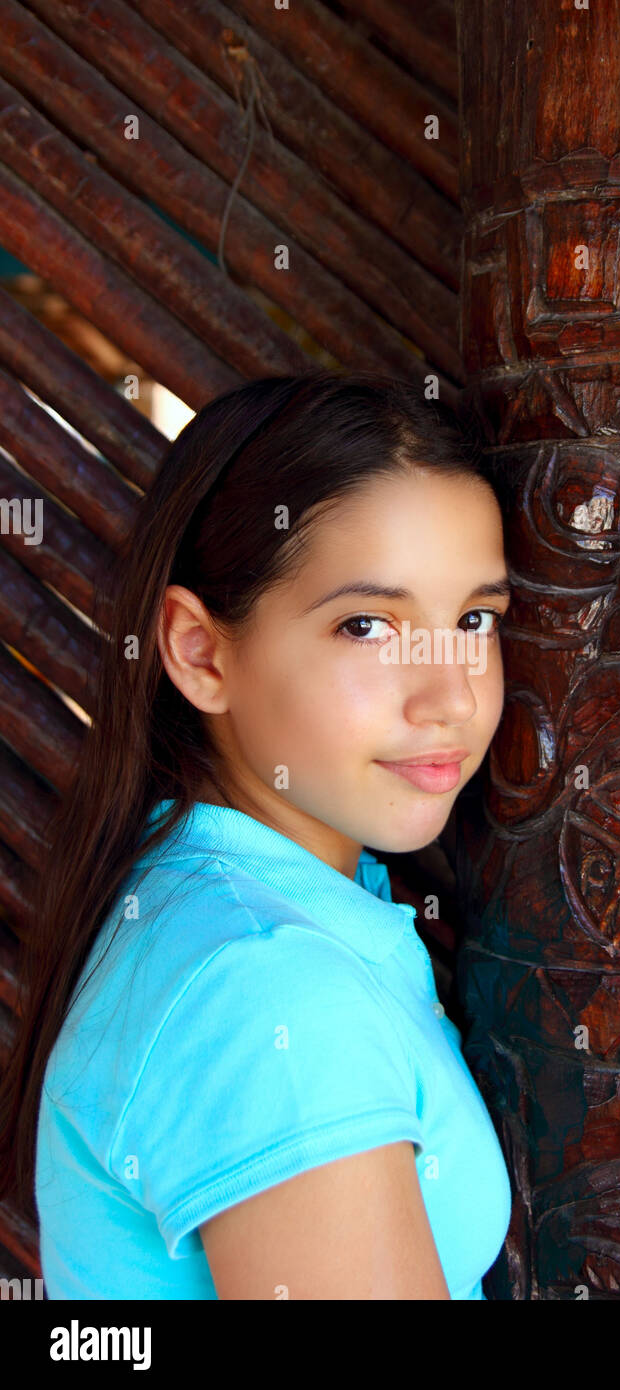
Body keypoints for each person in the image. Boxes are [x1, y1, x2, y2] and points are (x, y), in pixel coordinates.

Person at [0, 370, 515, 1299]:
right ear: (202, 652)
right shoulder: (271, 989)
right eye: (368, 624)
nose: (453, 696)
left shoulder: (226, 892)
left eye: (474, 619)